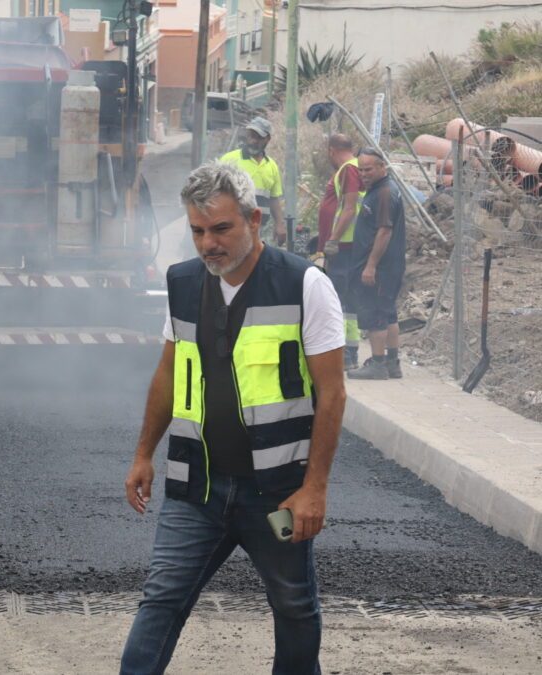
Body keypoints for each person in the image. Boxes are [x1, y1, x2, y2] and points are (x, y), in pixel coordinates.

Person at [120, 162, 347, 675]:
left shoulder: (304, 285)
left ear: (254, 220)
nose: (208, 244)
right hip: (197, 485)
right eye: (198, 231)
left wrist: (314, 489)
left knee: (293, 605)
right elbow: (169, 373)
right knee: (161, 599)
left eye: (221, 229)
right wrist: (142, 455)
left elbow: (332, 394)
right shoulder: (182, 284)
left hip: (279, 490)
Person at [347, 149, 406, 380]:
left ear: (382, 166)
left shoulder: (384, 193)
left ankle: (378, 364)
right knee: (390, 313)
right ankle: (393, 362)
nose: (364, 174)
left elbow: (384, 231)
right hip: (388, 265)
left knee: (377, 314)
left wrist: (370, 265)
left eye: (368, 169)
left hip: (381, 267)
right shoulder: (380, 190)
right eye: (360, 169)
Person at [319, 134, 364, 369]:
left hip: (345, 247)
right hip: (345, 246)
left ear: (331, 151)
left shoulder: (349, 169)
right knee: (344, 300)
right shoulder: (352, 168)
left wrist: (333, 239)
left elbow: (348, 209)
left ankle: (347, 354)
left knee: (341, 300)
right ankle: (347, 352)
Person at [220, 117, 286, 246]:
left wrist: (279, 224)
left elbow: (274, 198)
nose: (253, 141)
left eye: (258, 137)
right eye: (251, 136)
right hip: (232, 228)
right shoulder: (229, 159)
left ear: (268, 139)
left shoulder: (271, 165)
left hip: (258, 229)